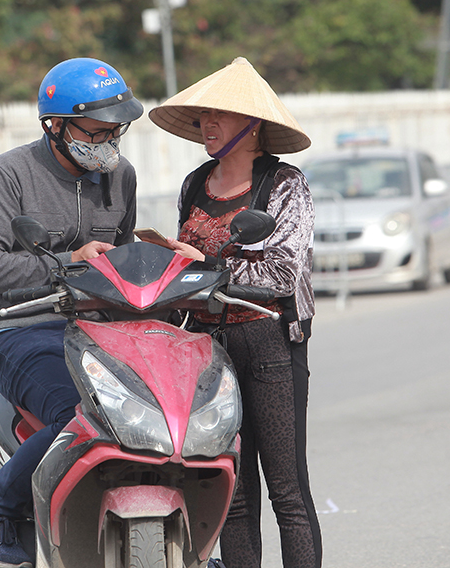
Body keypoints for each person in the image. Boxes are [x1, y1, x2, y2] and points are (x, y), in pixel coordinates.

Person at [0, 57, 143, 568]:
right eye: (96, 129)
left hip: (99, 328)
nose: (109, 140)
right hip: (22, 327)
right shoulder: (7, 175)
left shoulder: (121, 176)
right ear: (55, 126)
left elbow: (121, 256)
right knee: (82, 413)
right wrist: (67, 262)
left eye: (116, 128)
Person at [149, 57, 323, 568]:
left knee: (287, 490)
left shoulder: (285, 184)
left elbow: (282, 274)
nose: (208, 124)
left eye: (219, 114)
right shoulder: (195, 184)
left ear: (252, 125)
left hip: (269, 343)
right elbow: (185, 270)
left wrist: (207, 265)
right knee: (233, 492)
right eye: (203, 115)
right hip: (206, 349)